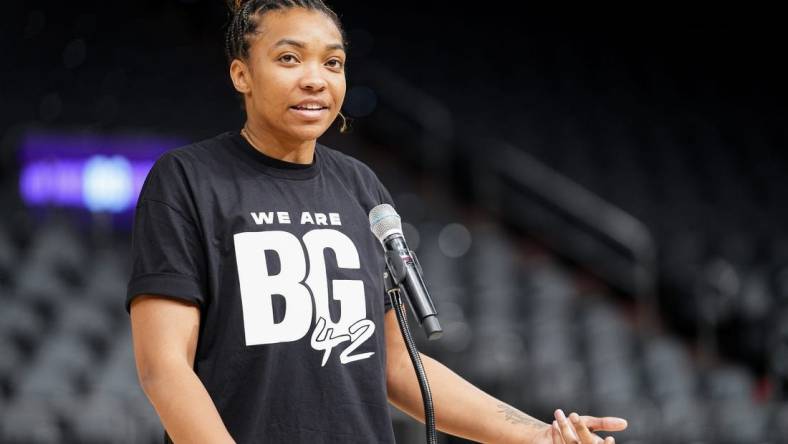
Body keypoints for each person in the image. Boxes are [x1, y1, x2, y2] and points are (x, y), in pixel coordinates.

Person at [126, 1, 629, 443]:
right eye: (288, 58)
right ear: (242, 75)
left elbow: (393, 362)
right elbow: (164, 367)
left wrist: (536, 434)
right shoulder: (187, 179)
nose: (315, 78)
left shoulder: (360, 186)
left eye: (333, 62)